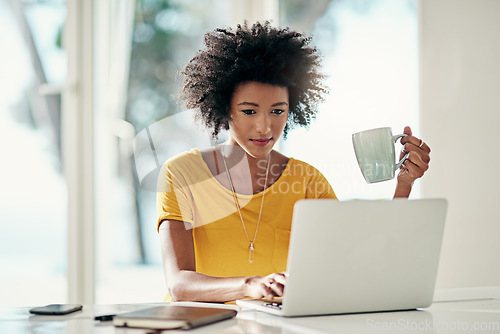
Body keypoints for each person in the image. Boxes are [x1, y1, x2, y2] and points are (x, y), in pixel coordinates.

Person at [156, 22, 431, 302]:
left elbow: (362, 261)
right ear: (225, 108)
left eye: (277, 111)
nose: (265, 127)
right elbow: (179, 284)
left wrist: (404, 186)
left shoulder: (307, 180)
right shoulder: (182, 173)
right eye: (249, 111)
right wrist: (249, 286)